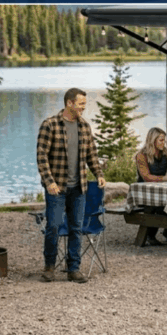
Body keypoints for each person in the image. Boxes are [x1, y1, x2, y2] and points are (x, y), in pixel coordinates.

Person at [37, 88, 106, 283]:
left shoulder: (84, 126)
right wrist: (49, 182)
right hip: (56, 188)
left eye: (84, 104)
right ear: (69, 103)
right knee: (54, 226)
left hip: (79, 188)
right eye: (81, 104)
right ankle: (49, 266)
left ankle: (73, 268)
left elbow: (92, 155)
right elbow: (41, 157)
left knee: (77, 228)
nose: (84, 107)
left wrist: (99, 174)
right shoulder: (50, 125)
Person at [134, 127, 167, 245]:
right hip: (144, 193)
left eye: (164, 140)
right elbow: (146, 177)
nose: (164, 143)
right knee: (153, 208)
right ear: (152, 140)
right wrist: (164, 178)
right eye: (161, 140)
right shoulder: (141, 156)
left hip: (161, 191)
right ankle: (150, 236)